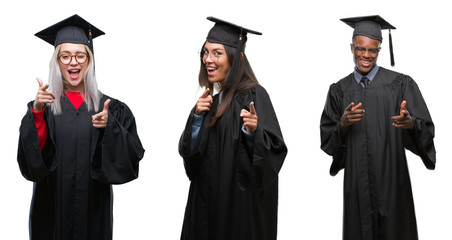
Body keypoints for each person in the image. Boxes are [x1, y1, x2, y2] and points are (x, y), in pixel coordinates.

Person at [17, 14, 145, 240]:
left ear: (89, 60)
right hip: (51, 211)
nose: (73, 62)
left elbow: (132, 156)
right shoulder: (44, 108)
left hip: (94, 212)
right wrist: (36, 113)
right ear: (57, 62)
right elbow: (32, 165)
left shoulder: (110, 109)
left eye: (79, 56)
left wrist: (110, 128)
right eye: (65, 56)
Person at [320, 15, 435, 240]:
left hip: (393, 182)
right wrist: (342, 125)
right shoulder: (339, 90)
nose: (366, 55)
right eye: (360, 49)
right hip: (357, 185)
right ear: (351, 47)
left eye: (373, 50)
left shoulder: (400, 84)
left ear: (379, 49)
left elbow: (427, 130)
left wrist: (411, 124)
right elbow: (328, 141)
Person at [178, 17, 287, 240]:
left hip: (237, 209)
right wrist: (196, 117)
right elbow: (191, 159)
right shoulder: (210, 102)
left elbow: (274, 153)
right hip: (205, 205)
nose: (208, 59)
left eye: (217, 53)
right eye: (206, 52)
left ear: (236, 57)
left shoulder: (255, 95)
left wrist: (252, 133)